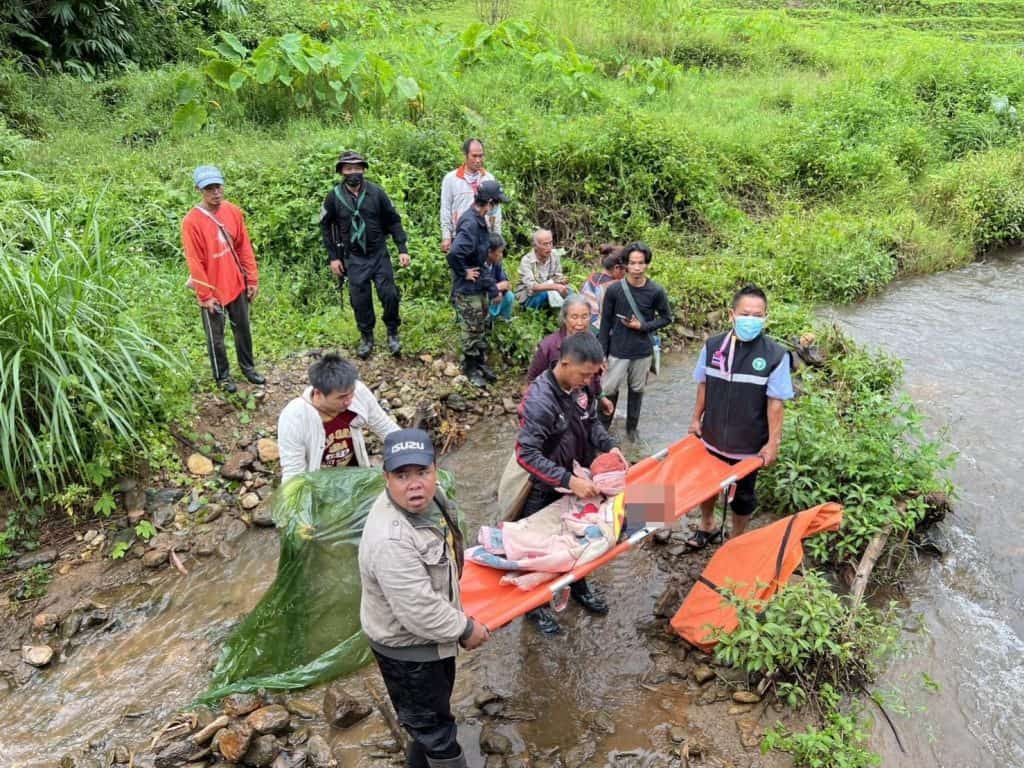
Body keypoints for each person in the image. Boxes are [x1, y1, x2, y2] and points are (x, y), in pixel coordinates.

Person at [359, 429, 490, 768]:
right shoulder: (390, 540)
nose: (414, 484)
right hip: (409, 654)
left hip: (427, 644)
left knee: (429, 720)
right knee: (438, 732)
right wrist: (465, 629)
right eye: (402, 475)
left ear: (436, 469)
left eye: (422, 472)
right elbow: (420, 612)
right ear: (386, 478)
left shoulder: (433, 498)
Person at [515, 332, 627, 635]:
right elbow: (525, 454)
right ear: (564, 363)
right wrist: (567, 480)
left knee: (580, 542)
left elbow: (591, 424)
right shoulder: (540, 400)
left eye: (594, 375)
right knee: (538, 551)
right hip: (545, 485)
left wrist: (609, 445)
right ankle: (534, 609)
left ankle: (578, 587)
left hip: (579, 475)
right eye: (584, 374)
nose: (589, 380)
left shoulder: (584, 385)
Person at [685, 284, 794, 548]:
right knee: (706, 486)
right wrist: (696, 419)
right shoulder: (713, 347)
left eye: (758, 315)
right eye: (746, 313)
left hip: (748, 444)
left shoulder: (775, 355)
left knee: (744, 496)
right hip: (711, 436)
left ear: (766, 317)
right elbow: (703, 384)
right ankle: (707, 524)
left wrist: (773, 443)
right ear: (732, 315)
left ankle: (735, 539)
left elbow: (775, 403)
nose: (751, 320)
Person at [181, 164, 264, 393]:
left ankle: (248, 368)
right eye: (209, 189)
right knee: (216, 337)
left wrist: (252, 279)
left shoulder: (233, 211)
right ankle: (223, 377)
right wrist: (205, 296)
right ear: (199, 190)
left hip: (236, 283)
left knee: (243, 329)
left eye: (218, 187)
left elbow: (244, 246)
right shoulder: (192, 222)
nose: (215, 192)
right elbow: (195, 261)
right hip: (212, 290)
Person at [320, 150, 411, 359]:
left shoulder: (377, 193)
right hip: (353, 257)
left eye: (358, 168)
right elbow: (326, 227)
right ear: (342, 171)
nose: (354, 172)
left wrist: (402, 249)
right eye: (349, 168)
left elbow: (393, 220)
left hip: (378, 253)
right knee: (360, 299)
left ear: (363, 170)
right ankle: (367, 337)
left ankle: (392, 332)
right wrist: (334, 257)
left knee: (389, 294)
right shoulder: (333, 197)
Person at [276, 353, 399, 484]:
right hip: (319, 485)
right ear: (318, 394)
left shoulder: (358, 392)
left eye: (351, 393)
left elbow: (385, 427)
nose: (349, 401)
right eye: (342, 397)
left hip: (356, 476)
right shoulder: (294, 417)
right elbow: (294, 472)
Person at [598, 242, 673, 442]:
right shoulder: (615, 290)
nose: (637, 268)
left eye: (641, 263)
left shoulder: (656, 291)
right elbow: (605, 323)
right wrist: (601, 353)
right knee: (608, 390)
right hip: (618, 350)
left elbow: (666, 318)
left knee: (637, 390)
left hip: (642, 350)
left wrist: (643, 326)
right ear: (625, 265)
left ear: (647, 264)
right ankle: (601, 432)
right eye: (633, 263)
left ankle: (632, 431)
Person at [446, 180, 511, 387]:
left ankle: (480, 363)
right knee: (471, 328)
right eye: (496, 204)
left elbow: (479, 257)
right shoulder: (471, 223)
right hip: (467, 288)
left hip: (479, 283)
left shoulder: (480, 220)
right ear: (489, 202)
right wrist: (464, 272)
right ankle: (470, 368)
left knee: (481, 325)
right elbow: (454, 254)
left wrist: (491, 287)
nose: (496, 208)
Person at [525, 295, 613, 416]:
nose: (580, 323)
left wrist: (601, 397)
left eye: (585, 316)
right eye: (574, 317)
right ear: (565, 318)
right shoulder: (548, 346)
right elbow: (532, 381)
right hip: (556, 411)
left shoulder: (592, 340)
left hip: (584, 408)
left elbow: (593, 375)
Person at [440, 138, 501, 253]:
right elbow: (446, 209)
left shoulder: (488, 178)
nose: (478, 160)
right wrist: (446, 236)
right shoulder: (451, 179)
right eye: (474, 156)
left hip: (484, 236)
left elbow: (496, 212)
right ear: (465, 155)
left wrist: (497, 237)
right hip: (460, 236)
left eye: (481, 156)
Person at [514, 229, 571, 310]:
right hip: (530, 297)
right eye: (545, 244)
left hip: (551, 291)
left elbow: (557, 277)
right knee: (545, 295)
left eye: (550, 243)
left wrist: (561, 281)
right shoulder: (527, 260)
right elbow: (533, 287)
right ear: (535, 246)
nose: (549, 247)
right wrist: (555, 286)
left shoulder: (554, 256)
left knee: (570, 292)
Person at [580, 244, 624, 331]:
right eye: (626, 270)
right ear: (617, 268)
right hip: (599, 328)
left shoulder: (590, 278)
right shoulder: (615, 286)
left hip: (582, 322)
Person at [484, 232, 515, 321]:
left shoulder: (496, 263)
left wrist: (499, 291)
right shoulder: (478, 265)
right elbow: (476, 290)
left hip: (493, 295)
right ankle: (484, 322)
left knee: (509, 296)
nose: (501, 255)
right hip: (478, 299)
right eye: (500, 252)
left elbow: (505, 282)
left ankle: (503, 320)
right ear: (489, 252)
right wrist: (496, 289)